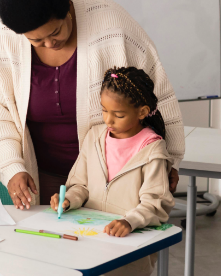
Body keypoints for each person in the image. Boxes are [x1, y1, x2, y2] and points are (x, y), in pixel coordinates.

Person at [0, 0, 183, 209]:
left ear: (67, 9)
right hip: (43, 179)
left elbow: (159, 98)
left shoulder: (113, 25)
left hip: (119, 179)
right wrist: (12, 168)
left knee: (120, 242)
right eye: (36, 40)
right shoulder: (4, 41)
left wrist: (170, 160)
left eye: (55, 32)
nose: (49, 44)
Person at [51, 67, 174, 276]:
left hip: (129, 248)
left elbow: (156, 204)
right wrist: (69, 199)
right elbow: (80, 184)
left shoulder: (152, 149)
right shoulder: (95, 137)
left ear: (142, 112)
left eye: (118, 115)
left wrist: (129, 222)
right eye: (104, 110)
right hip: (89, 239)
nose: (108, 120)